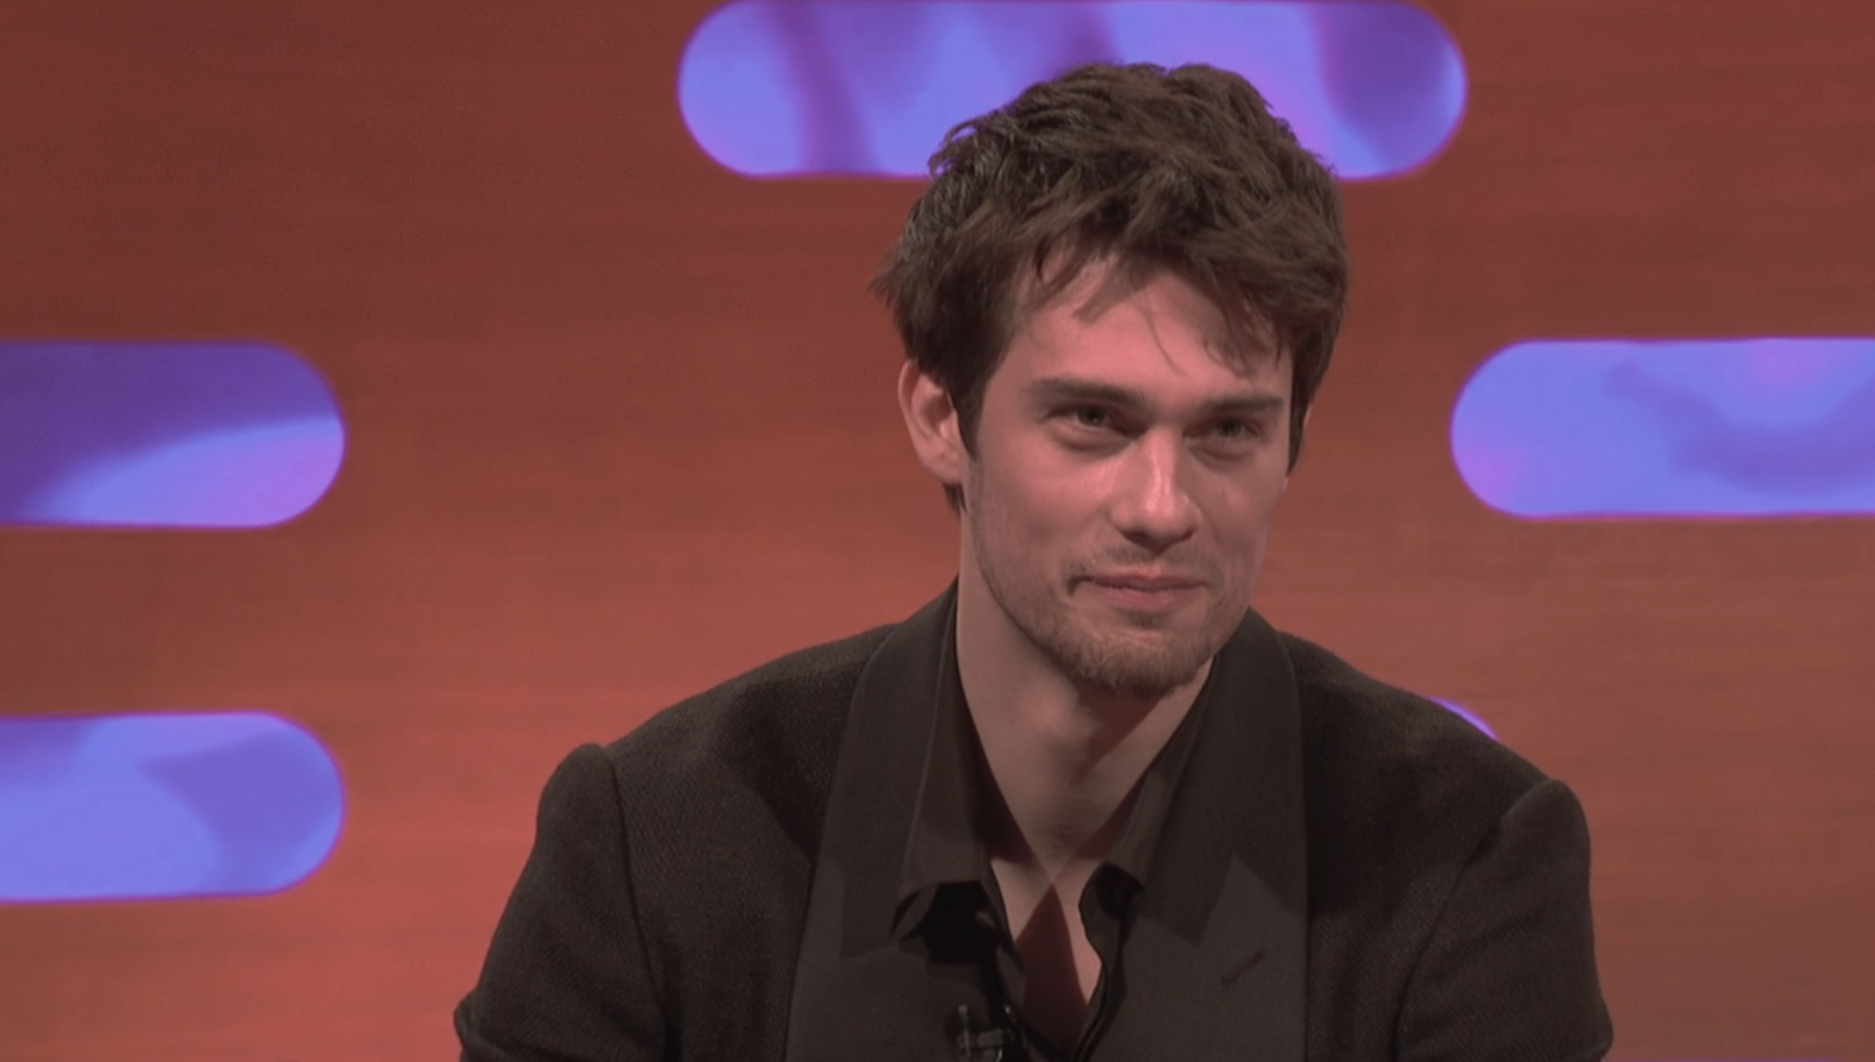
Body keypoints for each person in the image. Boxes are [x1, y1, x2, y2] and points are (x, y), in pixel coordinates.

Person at [456, 62, 1612, 1061]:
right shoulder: (657, 845)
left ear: (1293, 442)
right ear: (940, 417)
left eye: (1228, 430)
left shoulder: (1460, 857)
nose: (1163, 508)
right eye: (1093, 422)